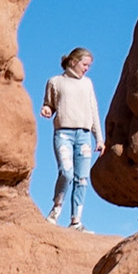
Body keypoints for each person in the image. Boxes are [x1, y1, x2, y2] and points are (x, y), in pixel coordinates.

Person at [39, 47, 103, 230]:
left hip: (84, 136)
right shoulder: (55, 82)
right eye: (85, 64)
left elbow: (93, 111)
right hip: (63, 134)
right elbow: (49, 104)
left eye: (89, 66)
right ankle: (56, 209)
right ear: (73, 62)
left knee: (82, 179)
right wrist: (47, 110)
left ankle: (76, 221)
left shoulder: (87, 84)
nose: (87, 69)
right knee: (66, 173)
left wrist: (99, 138)